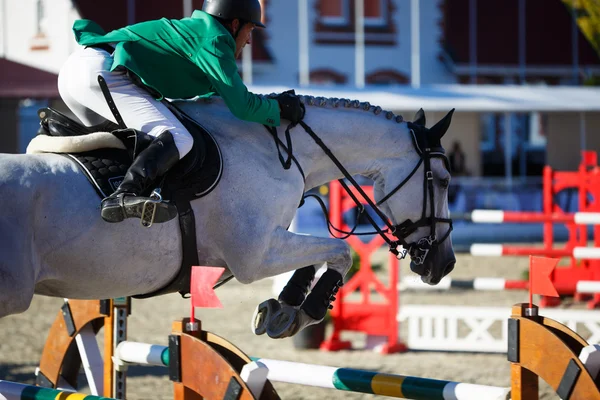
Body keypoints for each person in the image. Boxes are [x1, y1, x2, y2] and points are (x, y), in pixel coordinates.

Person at [58, 0, 304, 224]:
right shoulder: (215, 39)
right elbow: (242, 106)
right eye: (250, 30)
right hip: (103, 73)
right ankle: (125, 195)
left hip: (75, 71)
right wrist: (279, 107)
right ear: (235, 24)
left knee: (125, 145)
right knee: (178, 137)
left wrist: (269, 106)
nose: (249, 40)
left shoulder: (198, 33)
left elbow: (218, 98)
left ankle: (57, 140)